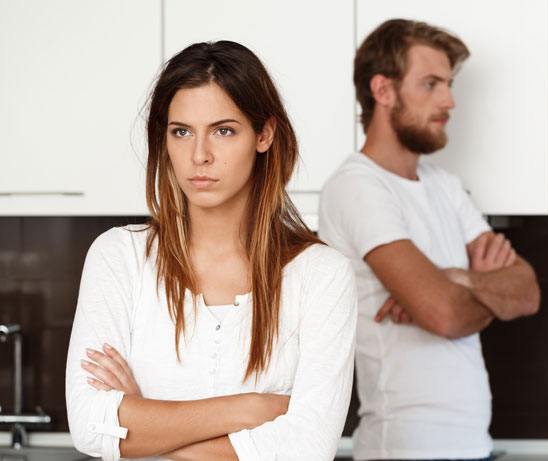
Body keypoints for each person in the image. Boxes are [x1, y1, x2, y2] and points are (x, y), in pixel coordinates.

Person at [65, 40, 357, 461]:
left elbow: (308, 446)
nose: (199, 155)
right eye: (181, 131)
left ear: (265, 134)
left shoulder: (322, 274)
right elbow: (90, 427)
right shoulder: (118, 257)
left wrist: (145, 425)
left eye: (224, 130)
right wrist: (254, 408)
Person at [319, 19, 541, 461]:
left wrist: (454, 277)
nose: (450, 100)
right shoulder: (357, 187)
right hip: (402, 450)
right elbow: (443, 315)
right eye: (431, 84)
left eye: (449, 84)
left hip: (473, 446)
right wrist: (466, 294)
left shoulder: (445, 187)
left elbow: (529, 292)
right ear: (383, 90)